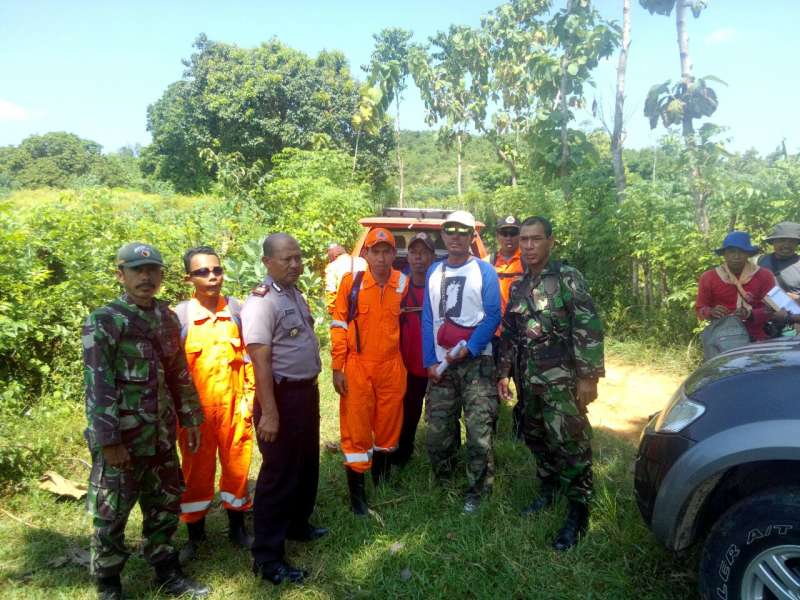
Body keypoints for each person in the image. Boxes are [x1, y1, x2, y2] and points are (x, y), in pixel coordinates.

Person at [82, 242, 209, 599]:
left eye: (152, 270)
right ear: (120, 274)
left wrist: (192, 418)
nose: (145, 277)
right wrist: (109, 442)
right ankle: (109, 584)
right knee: (110, 517)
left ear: (162, 276)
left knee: (165, 508)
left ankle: (167, 573)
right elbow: (98, 385)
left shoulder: (167, 318)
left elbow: (178, 374)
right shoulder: (104, 321)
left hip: (162, 436)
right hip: (123, 443)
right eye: (137, 270)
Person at [497, 216, 604, 551]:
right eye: (524, 239)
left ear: (550, 242)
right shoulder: (518, 285)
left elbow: (588, 326)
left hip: (563, 381)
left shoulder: (567, 278)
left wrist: (588, 377)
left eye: (535, 239)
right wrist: (503, 372)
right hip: (529, 379)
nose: (527, 245)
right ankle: (549, 488)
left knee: (570, 442)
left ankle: (578, 508)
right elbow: (511, 334)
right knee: (536, 436)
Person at [241, 233, 327, 586]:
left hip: (305, 394)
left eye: (298, 257)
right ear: (267, 263)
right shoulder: (261, 303)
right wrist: (271, 413)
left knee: (306, 464)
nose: (295, 264)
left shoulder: (293, 293)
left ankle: (297, 525)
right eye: (286, 259)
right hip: (280, 397)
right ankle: (268, 557)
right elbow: (260, 364)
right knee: (279, 474)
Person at [173, 246, 255, 562]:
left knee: (237, 468)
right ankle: (196, 535)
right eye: (202, 272)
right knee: (195, 474)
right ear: (188, 278)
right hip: (196, 415)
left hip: (235, 407)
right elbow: (174, 372)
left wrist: (249, 400)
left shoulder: (237, 311)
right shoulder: (179, 317)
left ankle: (237, 527)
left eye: (216, 270)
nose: (212, 277)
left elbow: (250, 359)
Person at [422, 210, 502, 514]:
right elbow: (428, 317)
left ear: (472, 237)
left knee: (478, 430)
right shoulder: (434, 271)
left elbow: (493, 314)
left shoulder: (484, 271)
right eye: (450, 230)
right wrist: (430, 360)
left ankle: (477, 492)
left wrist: (470, 347)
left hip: (476, 363)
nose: (455, 236)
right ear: (443, 234)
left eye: (463, 231)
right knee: (437, 430)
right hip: (442, 363)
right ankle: (445, 481)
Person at [331, 228, 409, 515]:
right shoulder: (351, 283)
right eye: (375, 251)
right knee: (357, 429)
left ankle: (382, 480)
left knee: (389, 426)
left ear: (393, 254)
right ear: (366, 254)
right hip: (358, 366)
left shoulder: (402, 283)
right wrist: (338, 366)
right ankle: (358, 499)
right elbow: (338, 325)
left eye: (386, 250)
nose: (381, 257)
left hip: (391, 365)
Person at [394, 232, 435, 467]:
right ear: (407, 256)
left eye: (423, 252)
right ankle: (403, 454)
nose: (418, 257)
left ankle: (444, 457)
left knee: (443, 415)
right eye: (413, 252)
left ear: (431, 256)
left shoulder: (439, 286)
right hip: (407, 366)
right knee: (408, 413)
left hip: (436, 365)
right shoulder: (399, 286)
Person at [696, 231, 776, 342]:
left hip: (758, 335)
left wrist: (750, 314)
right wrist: (711, 312)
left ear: (748, 254)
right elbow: (700, 308)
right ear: (724, 254)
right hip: (723, 336)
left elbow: (773, 308)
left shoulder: (764, 275)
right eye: (731, 252)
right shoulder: (709, 277)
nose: (736, 256)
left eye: (741, 252)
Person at [487, 215, 526, 438]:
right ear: (497, 236)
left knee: (524, 387)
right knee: (491, 387)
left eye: (513, 232)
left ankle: (521, 435)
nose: (509, 237)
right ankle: (489, 432)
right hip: (495, 337)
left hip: (522, 337)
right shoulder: (487, 261)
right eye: (504, 232)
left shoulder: (529, 261)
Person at [758, 222, 800, 336]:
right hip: (768, 322)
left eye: (791, 241)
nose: (786, 245)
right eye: (781, 240)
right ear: (773, 242)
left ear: (797, 243)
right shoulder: (762, 261)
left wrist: (793, 297)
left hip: (795, 321)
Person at [324, 242, 367, 316]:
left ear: (334, 256)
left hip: (345, 309)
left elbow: (331, 292)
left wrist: (333, 312)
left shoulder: (332, 267)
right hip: (365, 307)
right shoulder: (362, 261)